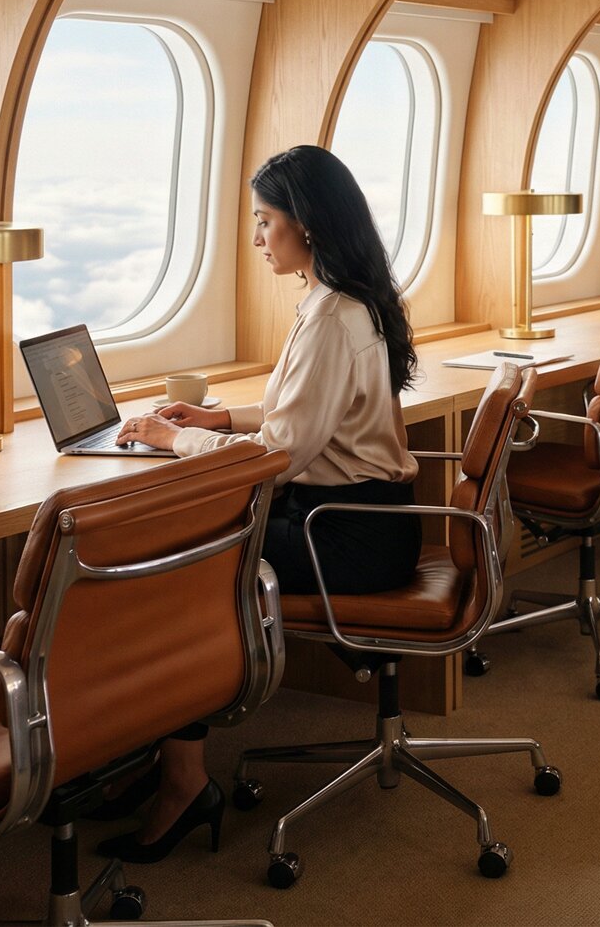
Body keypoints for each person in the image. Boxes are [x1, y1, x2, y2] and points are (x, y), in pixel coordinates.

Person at [97, 144, 422, 861]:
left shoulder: (334, 314)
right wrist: (217, 419)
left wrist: (168, 440)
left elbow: (280, 457)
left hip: (347, 534)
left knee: (180, 568)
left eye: (264, 221)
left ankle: (183, 779)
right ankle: (164, 757)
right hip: (357, 518)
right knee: (185, 549)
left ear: (306, 224)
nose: (256, 239)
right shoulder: (334, 300)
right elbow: (296, 415)